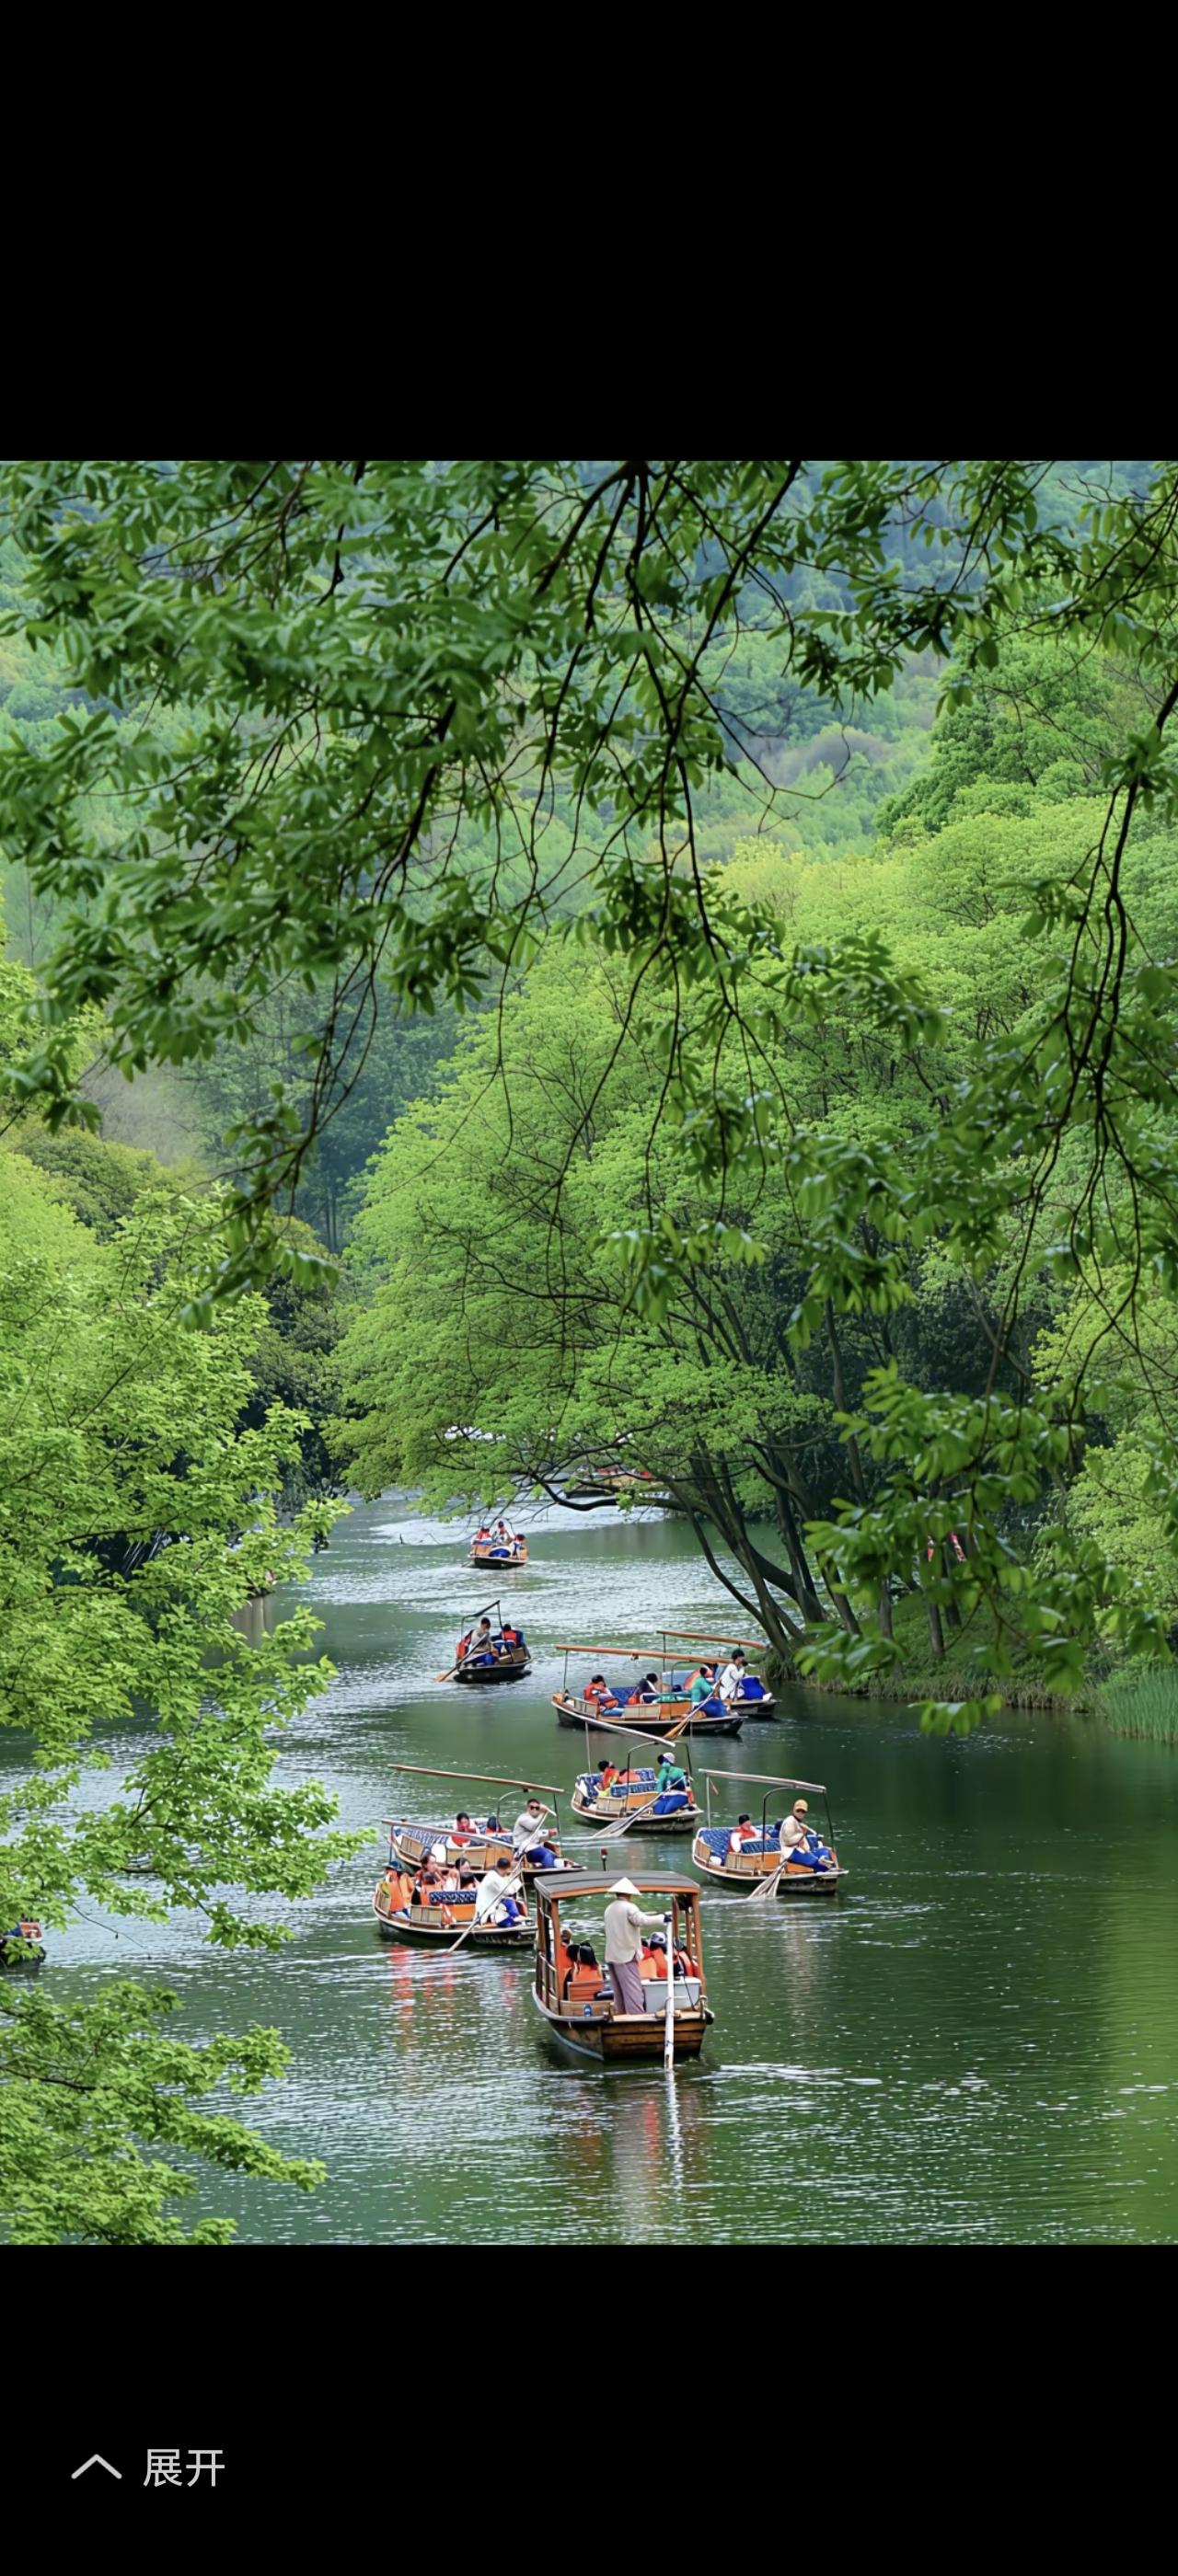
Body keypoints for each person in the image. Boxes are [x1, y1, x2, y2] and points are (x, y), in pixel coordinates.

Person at [604, 1877, 666, 2015]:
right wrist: (662, 1918)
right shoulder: (629, 1908)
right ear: (629, 1894)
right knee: (633, 1992)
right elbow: (642, 1920)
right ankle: (636, 2018)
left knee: (619, 1991)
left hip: (612, 1955)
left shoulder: (609, 1909)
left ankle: (621, 2015)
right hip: (626, 1955)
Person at [779, 1798, 834, 1871]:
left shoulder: (799, 1822)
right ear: (793, 1810)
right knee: (816, 1863)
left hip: (801, 1850)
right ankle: (824, 1868)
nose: (800, 1813)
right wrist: (803, 1834)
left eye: (803, 1811)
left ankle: (825, 1860)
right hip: (791, 1852)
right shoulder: (790, 1821)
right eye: (798, 1810)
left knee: (824, 1850)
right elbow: (788, 1841)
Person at [512, 1797, 557, 1869]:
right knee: (547, 1855)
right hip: (522, 1850)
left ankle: (548, 1871)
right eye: (532, 1807)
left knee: (554, 1855)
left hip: (532, 1847)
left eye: (537, 1808)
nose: (534, 1810)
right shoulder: (523, 1819)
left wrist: (549, 1834)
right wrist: (542, 1813)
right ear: (528, 1808)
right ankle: (549, 1874)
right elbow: (533, 1826)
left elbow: (537, 1837)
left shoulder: (536, 1820)